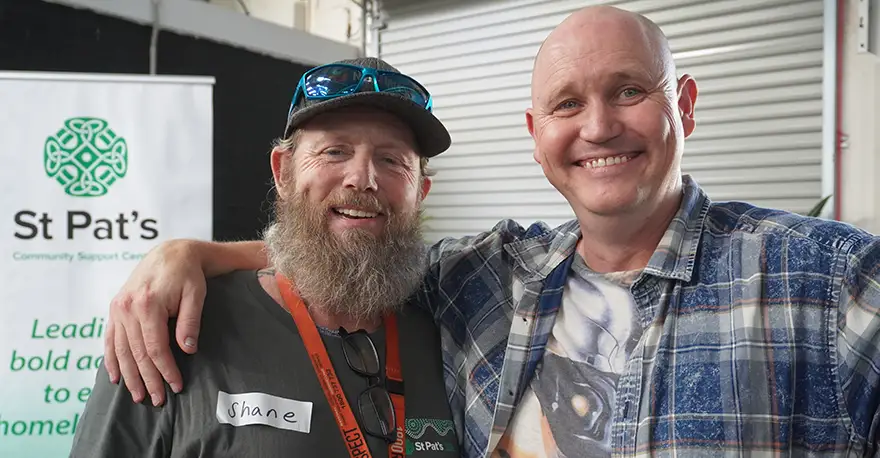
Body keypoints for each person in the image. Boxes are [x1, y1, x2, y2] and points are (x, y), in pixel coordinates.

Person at [100, 5, 880, 458]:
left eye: (630, 91)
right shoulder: (494, 278)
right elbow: (342, 245)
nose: (599, 125)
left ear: (684, 103)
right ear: (537, 131)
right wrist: (184, 253)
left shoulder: (828, 285)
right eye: (569, 104)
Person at [69, 57, 460, 457]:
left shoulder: (450, 335)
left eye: (391, 159)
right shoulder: (175, 328)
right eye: (335, 151)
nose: (362, 178)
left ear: (421, 193)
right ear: (283, 172)